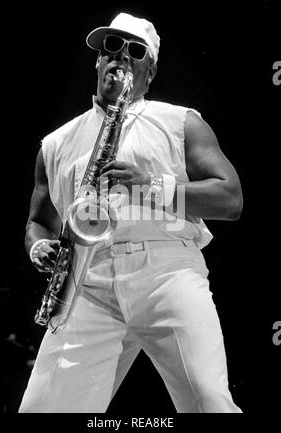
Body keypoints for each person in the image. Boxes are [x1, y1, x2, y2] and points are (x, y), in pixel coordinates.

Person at [19, 12, 243, 413]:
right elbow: (38, 222)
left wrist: (151, 185)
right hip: (87, 283)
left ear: (150, 72)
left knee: (209, 402)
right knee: (43, 409)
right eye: (111, 48)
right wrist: (39, 247)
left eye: (134, 51)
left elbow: (231, 199)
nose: (120, 57)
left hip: (167, 274)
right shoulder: (55, 144)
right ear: (98, 61)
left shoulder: (180, 122)